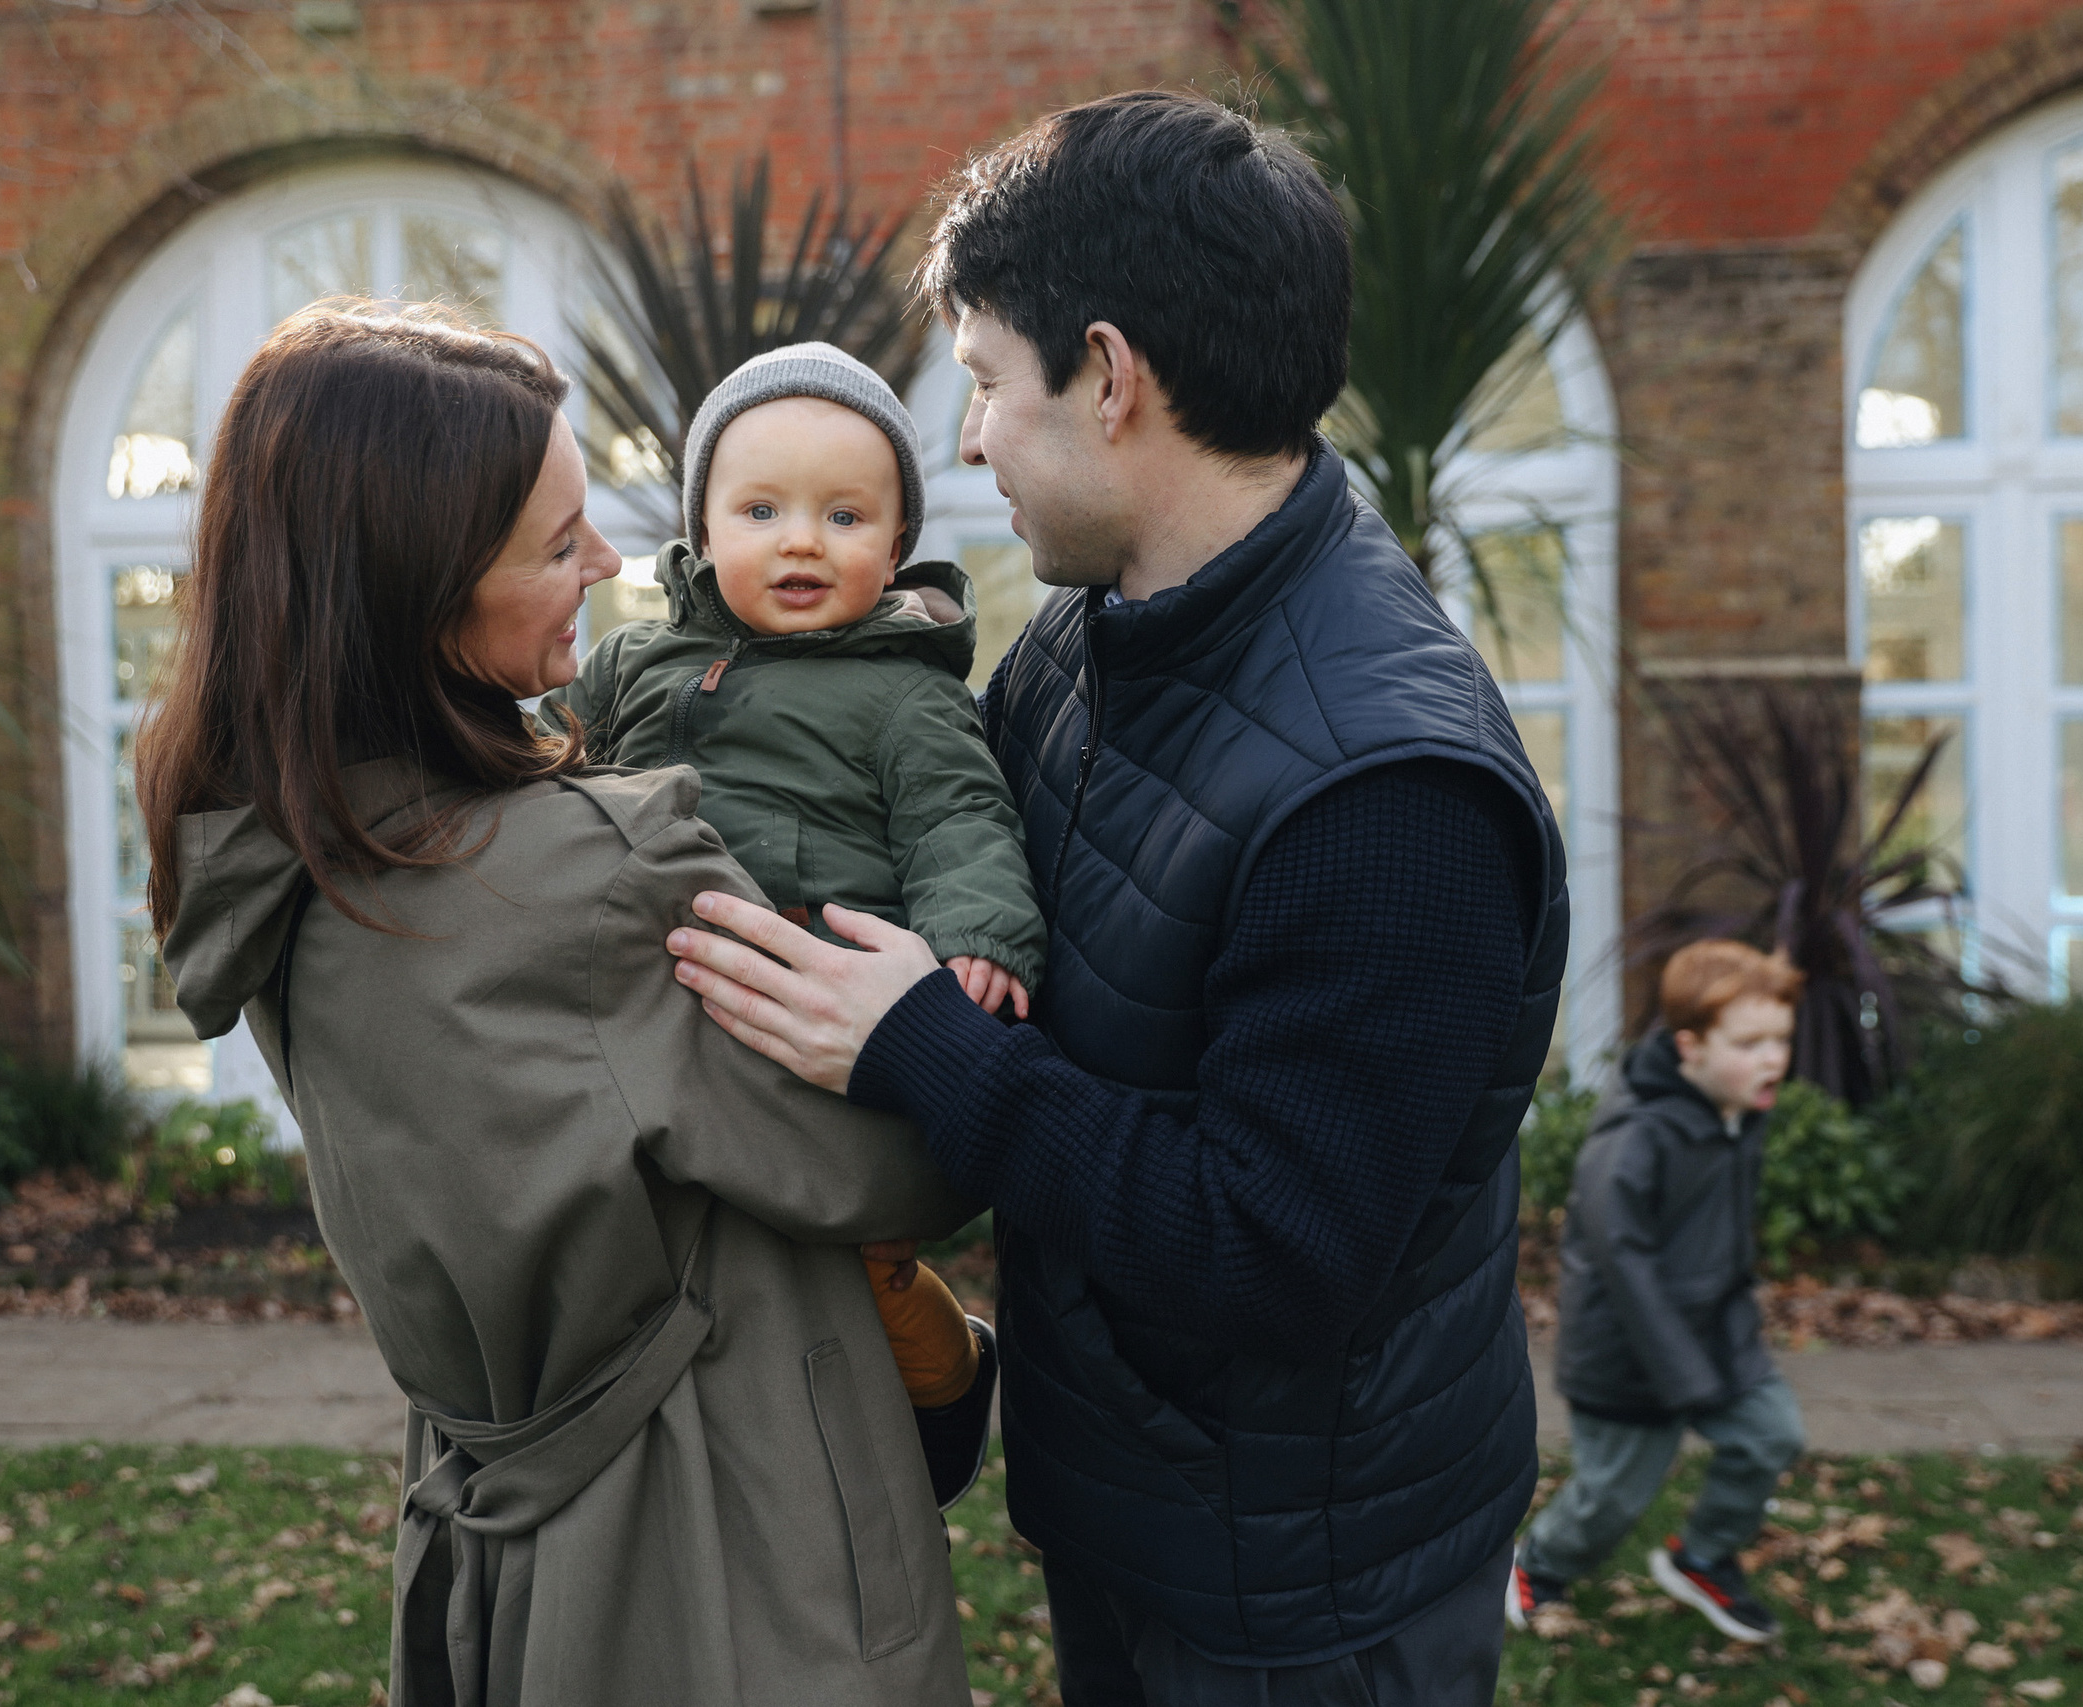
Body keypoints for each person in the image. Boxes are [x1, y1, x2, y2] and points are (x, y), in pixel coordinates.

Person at [667, 90, 1573, 1706]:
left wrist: (922, 1045)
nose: (965, 440)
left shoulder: (1384, 788)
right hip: (1142, 1527)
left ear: (1109, 376)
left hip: (1308, 1606)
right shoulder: (1089, 642)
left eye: (989, 385)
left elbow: (1277, 1246)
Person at [139, 303, 979, 1707]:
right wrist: (951, 1011)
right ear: (416, 588)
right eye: (555, 543)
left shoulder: (278, 858)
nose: (608, 564)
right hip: (724, 1545)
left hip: (495, 1523)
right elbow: (891, 1161)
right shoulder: (590, 873)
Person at [543, 344, 1046, 1447]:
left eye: (845, 517)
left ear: (898, 543)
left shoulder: (901, 696)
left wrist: (980, 935)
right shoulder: (635, 662)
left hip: (807, 1018)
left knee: (850, 1259)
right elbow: (540, 753)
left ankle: (943, 1377)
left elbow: (961, 823)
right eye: (761, 509)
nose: (801, 540)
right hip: (653, 1006)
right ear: (703, 530)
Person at [1511, 940, 1809, 1645]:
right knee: (1612, 1496)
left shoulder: (1735, 1108)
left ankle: (1703, 1556)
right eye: (1751, 1042)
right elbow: (1625, 1264)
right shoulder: (1635, 1138)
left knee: (1772, 1436)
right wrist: (1683, 1375)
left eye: (1781, 1040)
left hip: (1715, 1333)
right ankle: (1539, 1564)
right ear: (1690, 1046)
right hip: (1630, 1354)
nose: (1773, 1058)